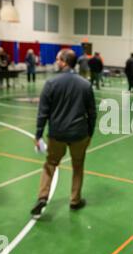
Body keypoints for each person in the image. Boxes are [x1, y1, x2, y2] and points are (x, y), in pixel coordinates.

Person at [30, 49, 97, 219]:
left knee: (50, 164)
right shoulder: (85, 84)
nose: (56, 61)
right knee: (78, 166)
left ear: (64, 62)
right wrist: (89, 133)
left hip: (57, 134)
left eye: (57, 59)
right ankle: (75, 200)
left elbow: (42, 113)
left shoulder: (51, 83)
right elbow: (92, 113)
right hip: (79, 134)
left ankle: (42, 197)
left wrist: (38, 135)